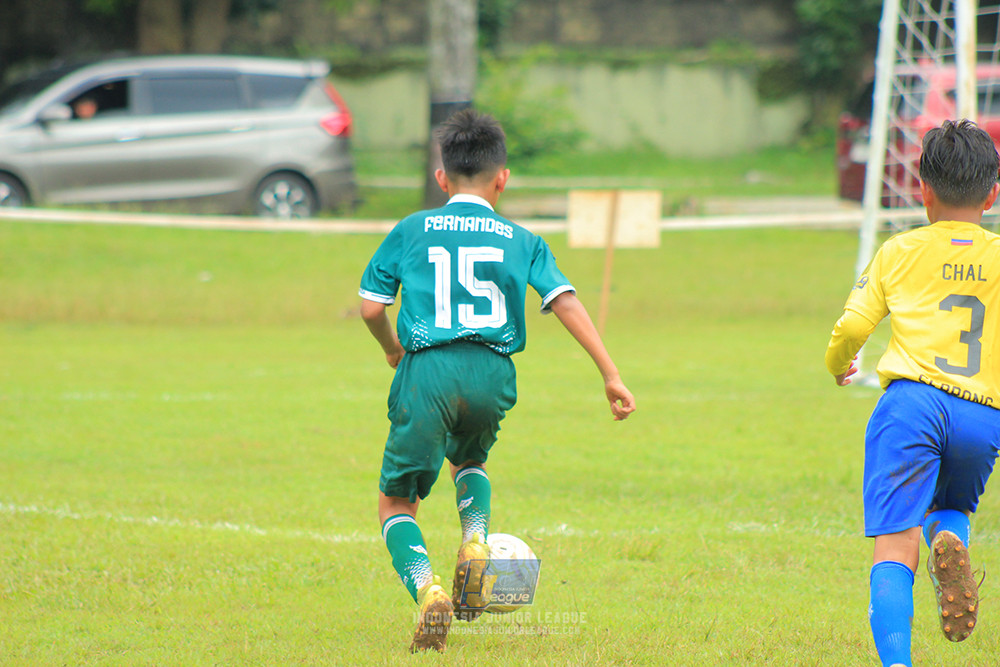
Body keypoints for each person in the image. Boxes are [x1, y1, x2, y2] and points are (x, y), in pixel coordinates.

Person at [359, 109, 636, 653]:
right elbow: (565, 301)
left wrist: (393, 349)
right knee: (470, 461)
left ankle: (428, 590)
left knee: (397, 503)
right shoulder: (523, 238)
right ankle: (476, 539)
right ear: (502, 178)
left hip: (428, 370)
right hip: (493, 372)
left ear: (442, 177)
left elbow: (370, 308)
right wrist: (611, 374)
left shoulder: (412, 229)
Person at [825, 119, 1000, 667]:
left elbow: (853, 328)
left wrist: (837, 362)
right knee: (951, 508)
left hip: (912, 407)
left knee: (895, 544)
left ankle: (898, 665)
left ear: (920, 187)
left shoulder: (898, 251)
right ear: (993, 192)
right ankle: (953, 541)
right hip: (983, 414)